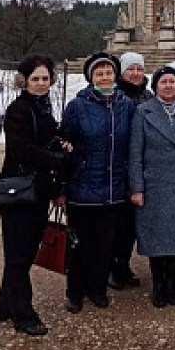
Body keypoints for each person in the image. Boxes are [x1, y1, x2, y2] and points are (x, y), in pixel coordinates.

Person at [0, 55, 71, 336]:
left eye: (45, 78)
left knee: (23, 253)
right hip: (20, 191)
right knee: (18, 255)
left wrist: (60, 144)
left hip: (36, 190)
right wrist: (54, 158)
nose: (41, 83)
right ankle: (23, 315)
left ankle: (5, 307)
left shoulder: (42, 108)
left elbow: (47, 137)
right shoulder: (19, 109)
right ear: (25, 81)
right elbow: (21, 148)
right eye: (35, 79)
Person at [60, 53, 135, 314]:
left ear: (115, 76)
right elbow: (64, 147)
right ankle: (74, 291)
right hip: (82, 186)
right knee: (80, 243)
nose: (105, 77)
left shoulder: (126, 105)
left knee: (106, 245)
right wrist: (62, 187)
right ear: (91, 78)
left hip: (114, 188)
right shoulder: (77, 106)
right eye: (99, 73)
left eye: (109, 73)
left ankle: (97, 288)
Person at [129, 66, 175, 307]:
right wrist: (137, 188)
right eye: (164, 82)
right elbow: (135, 153)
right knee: (155, 238)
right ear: (156, 86)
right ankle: (158, 284)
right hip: (154, 184)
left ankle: (172, 283)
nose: (169, 86)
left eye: (172, 81)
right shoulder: (143, 111)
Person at [108, 51, 153, 290]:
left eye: (139, 69)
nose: (136, 73)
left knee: (133, 223)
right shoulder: (115, 96)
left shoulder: (148, 96)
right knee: (119, 222)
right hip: (119, 166)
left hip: (143, 167)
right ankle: (113, 268)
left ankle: (121, 265)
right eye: (131, 69)